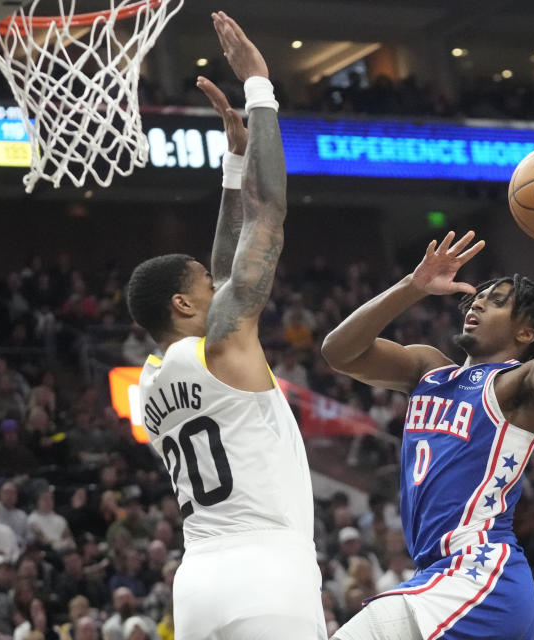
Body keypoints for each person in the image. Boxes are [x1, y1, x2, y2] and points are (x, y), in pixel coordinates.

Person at [323, 157, 534, 638]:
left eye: (495, 301)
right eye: (477, 297)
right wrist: (411, 287)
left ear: (525, 332)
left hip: (479, 574)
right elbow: (339, 352)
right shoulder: (426, 369)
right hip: (437, 574)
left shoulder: (517, 389)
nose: (477, 302)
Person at [125, 12, 324, 640]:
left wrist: (234, 169)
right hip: (268, 570)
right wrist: (260, 86)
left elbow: (225, 261)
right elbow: (273, 215)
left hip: (198, 583)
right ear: (185, 307)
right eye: (208, 289)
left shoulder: (152, 386)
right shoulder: (222, 345)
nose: (221, 285)